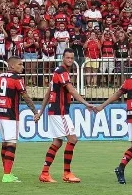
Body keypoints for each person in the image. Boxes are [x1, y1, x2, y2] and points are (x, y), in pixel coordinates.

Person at [34, 48, 95, 183]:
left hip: (54, 111)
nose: (70, 60)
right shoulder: (62, 72)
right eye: (68, 58)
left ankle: (44, 173)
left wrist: (40, 112)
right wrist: (86, 103)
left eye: (72, 58)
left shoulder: (57, 72)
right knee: (72, 139)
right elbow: (71, 90)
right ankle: (67, 173)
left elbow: (48, 93)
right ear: (63, 58)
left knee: (57, 141)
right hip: (59, 112)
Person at [95, 54, 132, 184]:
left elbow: (118, 94)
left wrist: (102, 106)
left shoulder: (129, 80)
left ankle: (121, 168)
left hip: (131, 115)